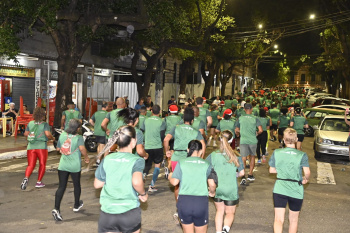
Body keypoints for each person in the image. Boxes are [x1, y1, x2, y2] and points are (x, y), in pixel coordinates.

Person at [94, 125, 148, 233]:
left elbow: (97, 184)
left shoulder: (107, 159)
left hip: (108, 214)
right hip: (129, 212)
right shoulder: (137, 160)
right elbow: (137, 182)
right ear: (133, 141)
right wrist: (142, 194)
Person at [269, 128, 310, 233]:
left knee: (278, 219)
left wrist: (283, 170)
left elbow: (272, 170)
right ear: (296, 139)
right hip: (296, 189)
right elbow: (307, 172)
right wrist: (305, 179)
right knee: (294, 220)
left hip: (280, 188)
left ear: (284, 139)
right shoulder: (302, 155)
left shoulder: (277, 152)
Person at [169, 140, 216, 233]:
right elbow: (212, 184)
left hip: (184, 202)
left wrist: (170, 175)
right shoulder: (207, 164)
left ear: (188, 150)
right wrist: (212, 192)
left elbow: (174, 182)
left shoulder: (181, 162)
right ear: (201, 151)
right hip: (200, 202)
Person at [163, 107, 206, 205]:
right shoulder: (195, 131)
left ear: (183, 119)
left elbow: (166, 140)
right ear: (192, 120)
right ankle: (188, 204)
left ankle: (179, 207)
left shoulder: (176, 127)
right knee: (189, 182)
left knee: (177, 184)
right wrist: (201, 157)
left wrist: (167, 151)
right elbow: (203, 144)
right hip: (189, 159)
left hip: (176, 158)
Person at [207, 130, 244, 233]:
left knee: (219, 211)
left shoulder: (213, 155)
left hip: (217, 187)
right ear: (231, 141)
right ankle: (225, 229)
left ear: (219, 139)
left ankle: (218, 231)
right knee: (230, 213)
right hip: (230, 188)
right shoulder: (236, 155)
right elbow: (241, 173)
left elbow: (206, 169)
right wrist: (234, 174)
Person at [52, 119, 90, 221]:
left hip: (63, 165)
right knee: (76, 185)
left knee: (61, 187)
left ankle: (56, 208)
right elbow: (82, 149)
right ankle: (76, 205)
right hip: (75, 166)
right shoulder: (78, 137)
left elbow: (58, 149)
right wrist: (86, 157)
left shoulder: (63, 135)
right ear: (77, 128)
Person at [21, 107, 54, 190]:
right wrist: (52, 138)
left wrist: (32, 135)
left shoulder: (30, 123)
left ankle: (26, 178)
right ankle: (39, 182)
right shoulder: (45, 124)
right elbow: (47, 134)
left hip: (31, 147)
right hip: (41, 147)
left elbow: (25, 134)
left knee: (30, 165)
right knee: (42, 164)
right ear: (43, 115)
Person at [235, 103, 262, 184]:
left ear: (244, 109)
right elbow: (260, 130)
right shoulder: (255, 118)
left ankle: (243, 175)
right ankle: (250, 174)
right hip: (253, 140)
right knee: (252, 157)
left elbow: (236, 130)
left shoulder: (240, 118)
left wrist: (241, 132)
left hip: (243, 140)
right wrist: (256, 133)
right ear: (252, 109)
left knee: (243, 158)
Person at [140, 105, 166, 192]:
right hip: (158, 146)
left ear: (151, 111)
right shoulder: (162, 121)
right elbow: (162, 135)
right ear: (160, 112)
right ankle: (152, 185)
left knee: (147, 166)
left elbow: (141, 130)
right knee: (157, 166)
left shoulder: (146, 120)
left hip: (147, 146)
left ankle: (142, 179)